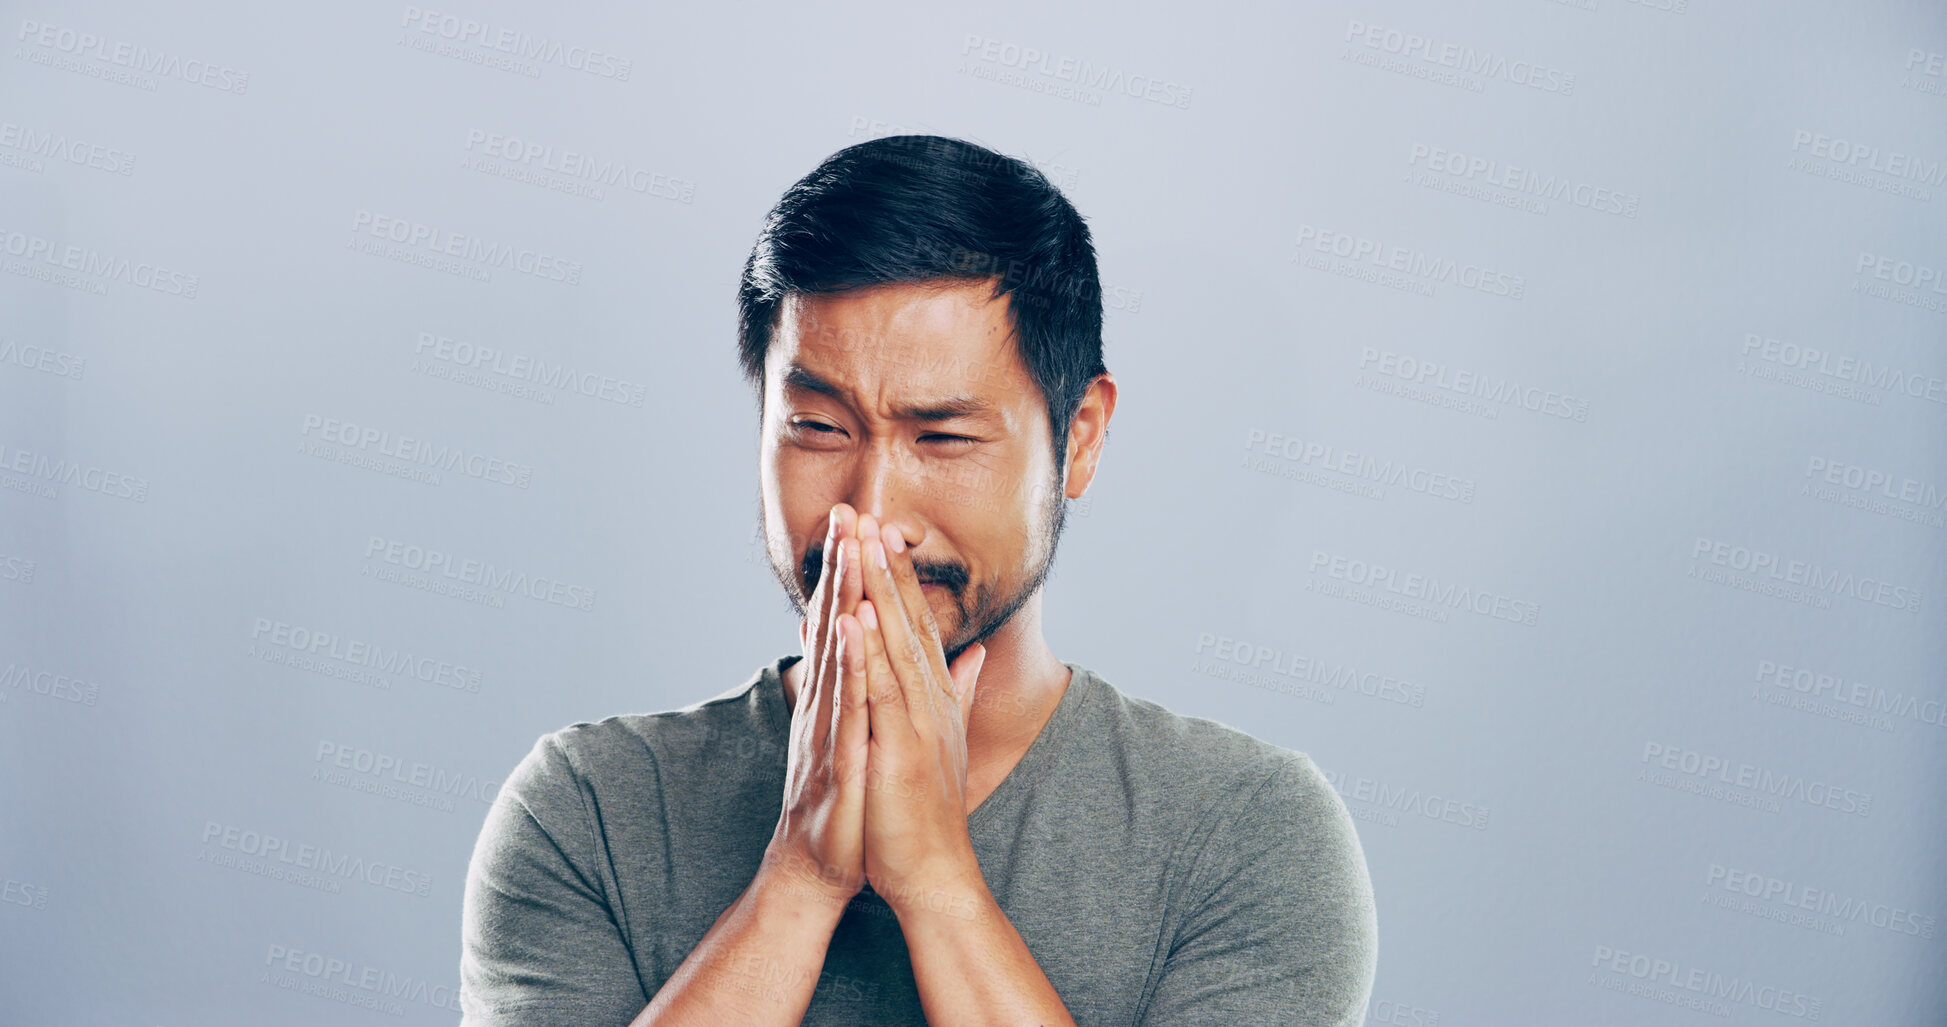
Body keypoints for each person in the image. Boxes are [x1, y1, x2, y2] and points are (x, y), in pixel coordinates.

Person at [458, 134, 1377, 1026]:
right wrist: (800, 878)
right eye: (819, 428)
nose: (872, 513)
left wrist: (937, 881)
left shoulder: (1246, 829)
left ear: (1081, 437)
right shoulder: (587, 806)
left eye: (942, 437)